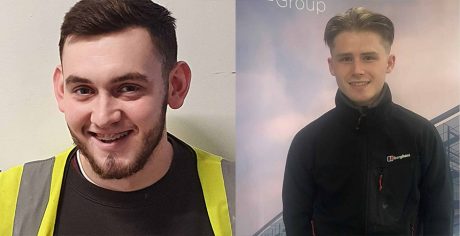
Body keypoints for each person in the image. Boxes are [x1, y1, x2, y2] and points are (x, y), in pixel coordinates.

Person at [0, 0, 234, 235]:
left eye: (128, 88)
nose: (103, 118)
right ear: (61, 90)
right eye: (83, 90)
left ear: (175, 86)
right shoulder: (6, 198)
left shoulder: (250, 198)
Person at [282, 7, 452, 235]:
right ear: (332, 65)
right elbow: (296, 221)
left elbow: (439, 218)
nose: (357, 70)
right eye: (345, 59)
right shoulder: (307, 143)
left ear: (389, 63)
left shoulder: (421, 135)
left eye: (369, 57)